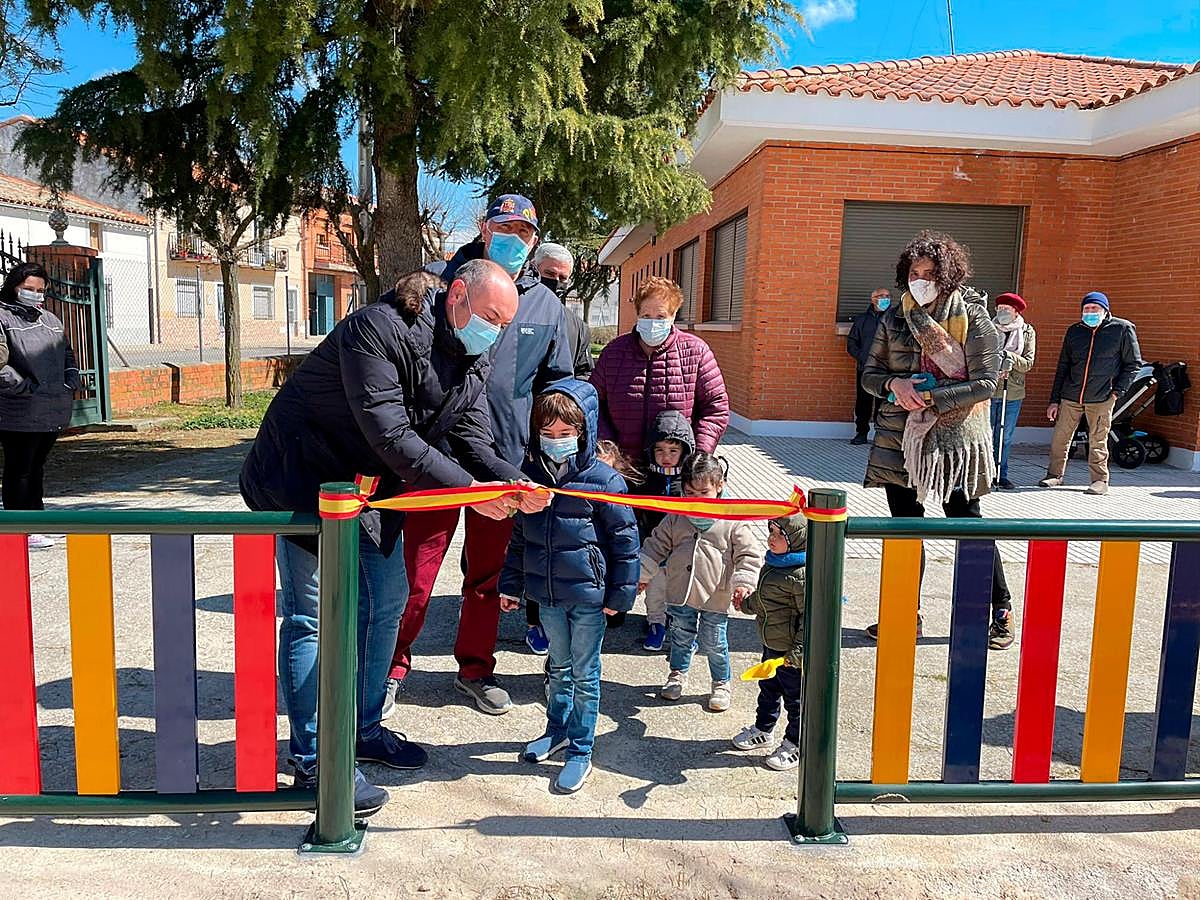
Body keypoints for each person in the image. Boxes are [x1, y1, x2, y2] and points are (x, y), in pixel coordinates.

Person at [239, 259, 550, 815]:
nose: (497, 332)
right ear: (456, 295)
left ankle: (363, 729)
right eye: (491, 318)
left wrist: (512, 481)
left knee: (386, 603)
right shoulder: (376, 329)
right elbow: (392, 436)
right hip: (300, 482)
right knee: (315, 617)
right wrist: (473, 494)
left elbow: (470, 434)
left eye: (506, 325)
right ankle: (315, 761)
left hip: (368, 494)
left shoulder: (472, 355)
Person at [386, 194, 573, 718]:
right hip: (434, 459)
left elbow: (557, 384)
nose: (514, 237)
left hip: (503, 462)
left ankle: (475, 668)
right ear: (484, 228)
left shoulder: (546, 305)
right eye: (504, 226)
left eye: (525, 231)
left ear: (535, 240)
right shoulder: (439, 280)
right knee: (416, 575)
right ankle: (391, 666)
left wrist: (551, 450)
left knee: (487, 580)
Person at [860, 231, 1015, 651]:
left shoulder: (974, 318)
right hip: (901, 437)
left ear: (948, 277)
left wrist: (930, 397)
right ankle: (903, 614)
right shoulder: (893, 318)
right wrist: (892, 382)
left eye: (930, 273)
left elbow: (987, 382)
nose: (921, 280)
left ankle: (998, 610)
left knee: (967, 523)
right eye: (915, 272)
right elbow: (868, 374)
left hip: (956, 440)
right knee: (905, 528)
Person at [499, 379, 639, 794]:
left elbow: (626, 543)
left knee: (585, 673)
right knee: (556, 669)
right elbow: (519, 537)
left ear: (584, 432)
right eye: (547, 434)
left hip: (590, 599)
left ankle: (581, 749)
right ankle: (556, 729)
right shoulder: (529, 478)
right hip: (547, 596)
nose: (556, 441)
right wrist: (511, 585)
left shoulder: (605, 481)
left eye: (565, 434)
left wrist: (620, 596)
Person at [638, 452, 762, 712]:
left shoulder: (732, 519)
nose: (696, 500)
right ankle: (677, 673)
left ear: (720, 486)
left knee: (715, 641)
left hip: (716, 594)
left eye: (704, 492)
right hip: (681, 591)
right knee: (681, 636)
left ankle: (721, 682)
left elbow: (749, 554)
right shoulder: (676, 517)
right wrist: (642, 575)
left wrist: (743, 582)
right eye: (689, 493)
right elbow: (654, 546)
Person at [590, 276, 729, 462]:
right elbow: (593, 404)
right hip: (622, 466)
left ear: (673, 315)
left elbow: (715, 409)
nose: (653, 322)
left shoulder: (696, 352)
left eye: (661, 316)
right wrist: (606, 447)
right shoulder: (614, 352)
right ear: (638, 314)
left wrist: (699, 455)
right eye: (646, 316)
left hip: (675, 468)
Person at [0, 262, 80, 550]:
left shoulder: (49, 319)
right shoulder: (3, 316)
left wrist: (71, 379)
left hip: (50, 406)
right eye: (28, 289)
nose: (35, 295)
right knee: (19, 468)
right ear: (14, 286)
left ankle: (37, 520)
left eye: (40, 290)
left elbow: (66, 353)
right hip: (16, 408)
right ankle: (19, 528)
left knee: (36, 467)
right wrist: (23, 386)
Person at [1039, 292, 1141, 496]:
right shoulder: (1075, 331)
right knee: (1061, 437)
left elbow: (1133, 364)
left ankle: (1099, 480)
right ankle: (1054, 475)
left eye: (1094, 309)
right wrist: (1054, 400)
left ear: (1105, 310)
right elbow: (1063, 366)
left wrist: (1117, 392)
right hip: (1071, 395)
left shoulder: (1122, 329)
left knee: (1098, 440)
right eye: (1086, 309)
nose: (1089, 313)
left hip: (1102, 396)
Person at [731, 512, 807, 772]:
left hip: (790, 653)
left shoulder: (800, 574)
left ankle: (795, 743)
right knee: (768, 690)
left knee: (795, 700)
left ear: (795, 540)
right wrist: (746, 604)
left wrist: (796, 654)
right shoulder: (774, 564)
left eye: (778, 534)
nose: (771, 538)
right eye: (771, 531)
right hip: (771, 645)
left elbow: (808, 619)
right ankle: (763, 729)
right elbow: (767, 602)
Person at [637, 410, 696, 652]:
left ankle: (682, 630)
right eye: (660, 450)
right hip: (654, 551)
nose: (666, 456)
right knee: (654, 593)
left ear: (684, 451)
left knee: (681, 594)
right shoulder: (645, 480)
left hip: (682, 553)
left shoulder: (690, 483)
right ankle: (655, 624)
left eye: (673, 450)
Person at [990, 293, 1036, 489]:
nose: (1002, 312)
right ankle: (985, 473)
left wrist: (1009, 357)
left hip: (1013, 391)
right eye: (999, 309)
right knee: (986, 434)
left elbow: (1028, 363)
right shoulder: (988, 328)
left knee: (1004, 436)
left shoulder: (1026, 332)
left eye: (1006, 309)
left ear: (1016, 312)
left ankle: (1002, 474)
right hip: (989, 390)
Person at [534, 242, 592, 377]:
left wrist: (566, 396)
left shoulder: (579, 328)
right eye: (549, 273)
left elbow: (584, 373)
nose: (556, 281)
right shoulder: (512, 311)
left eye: (563, 278)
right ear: (534, 269)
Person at [846, 288, 891, 444]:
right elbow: (852, 342)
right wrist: (862, 358)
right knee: (863, 402)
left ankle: (881, 436)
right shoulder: (861, 320)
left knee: (883, 404)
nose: (885, 299)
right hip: (865, 368)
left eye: (888, 296)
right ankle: (861, 433)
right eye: (881, 296)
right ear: (873, 299)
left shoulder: (895, 319)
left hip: (887, 370)